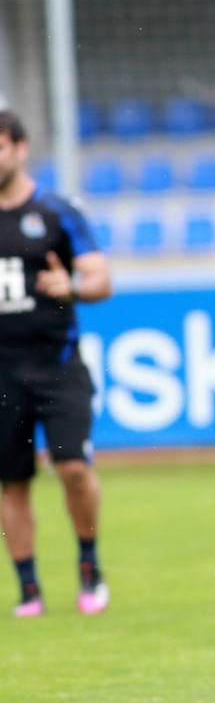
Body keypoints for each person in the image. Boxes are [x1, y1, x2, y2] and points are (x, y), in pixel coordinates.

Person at [0, 109, 113, 617]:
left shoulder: (55, 213)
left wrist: (71, 285)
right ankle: (29, 589)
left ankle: (89, 565)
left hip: (58, 364)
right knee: (13, 481)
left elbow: (101, 279)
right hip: (3, 373)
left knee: (72, 468)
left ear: (20, 149)